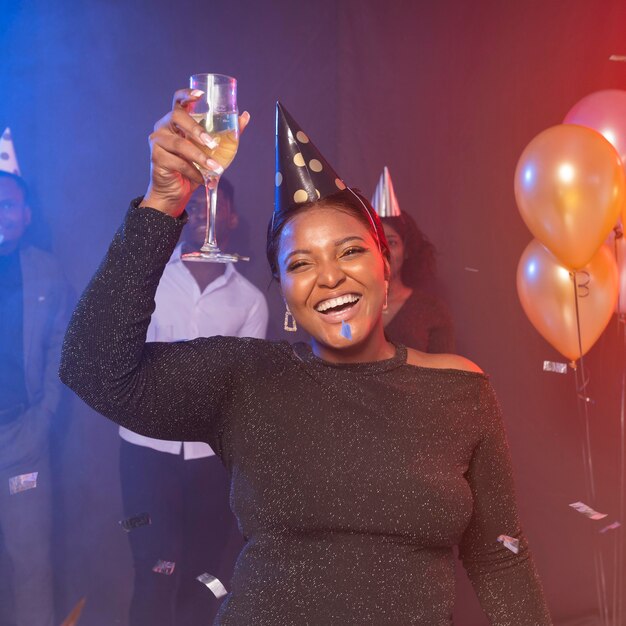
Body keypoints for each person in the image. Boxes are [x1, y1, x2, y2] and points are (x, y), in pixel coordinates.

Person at [60, 92, 552, 624]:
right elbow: (93, 367)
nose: (329, 275)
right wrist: (161, 204)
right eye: (300, 262)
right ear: (284, 293)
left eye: (349, 250)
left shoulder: (460, 390)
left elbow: (499, 559)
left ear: (384, 265)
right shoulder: (247, 379)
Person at [118, 179, 268, 626]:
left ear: (232, 219)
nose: (204, 211)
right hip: (146, 454)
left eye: (216, 204)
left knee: (203, 575)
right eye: (195, 203)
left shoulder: (250, 301)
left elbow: (244, 389)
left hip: (209, 462)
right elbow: (124, 358)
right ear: (183, 214)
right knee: (152, 570)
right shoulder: (149, 280)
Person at [0, 128, 69, 626]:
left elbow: (59, 354)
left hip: (21, 441)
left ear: (25, 215)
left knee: (31, 568)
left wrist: (43, 419)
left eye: (8, 205)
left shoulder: (47, 273)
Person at [371, 166, 454, 353]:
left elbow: (446, 376)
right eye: (375, 243)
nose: (383, 252)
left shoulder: (431, 310)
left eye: (391, 243)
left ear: (406, 250)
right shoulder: (349, 305)